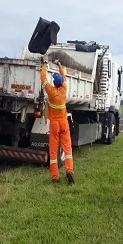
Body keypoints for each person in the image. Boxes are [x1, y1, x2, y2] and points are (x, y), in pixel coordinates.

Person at [40, 56, 75, 185]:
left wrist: (44, 64)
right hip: (64, 123)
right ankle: (70, 172)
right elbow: (64, 76)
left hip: (54, 124)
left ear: (54, 83)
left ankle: (55, 177)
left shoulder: (50, 91)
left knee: (54, 152)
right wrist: (60, 65)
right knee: (68, 150)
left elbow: (43, 79)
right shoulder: (64, 89)